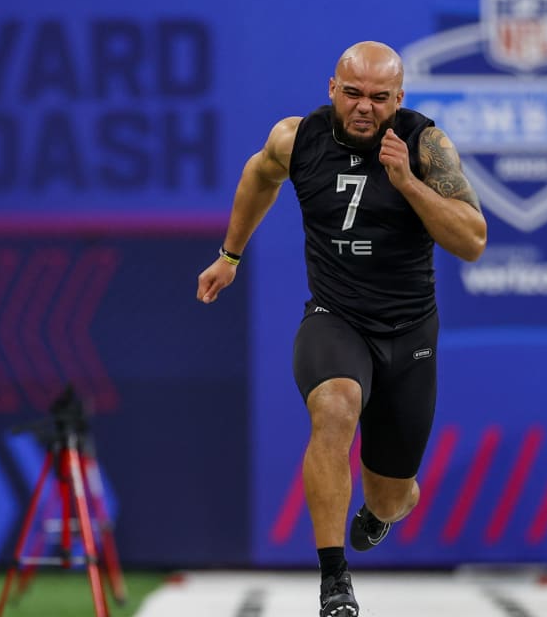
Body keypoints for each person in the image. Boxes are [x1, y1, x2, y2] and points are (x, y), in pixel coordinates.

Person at [196, 41, 487, 617]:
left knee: (394, 496)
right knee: (334, 406)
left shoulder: (426, 144)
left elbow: (472, 240)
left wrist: (406, 182)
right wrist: (229, 257)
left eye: (379, 98)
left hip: (408, 333)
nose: (364, 108)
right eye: (352, 93)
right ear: (332, 88)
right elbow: (259, 176)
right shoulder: (296, 137)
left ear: (398, 99)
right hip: (336, 316)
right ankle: (335, 581)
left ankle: (382, 511)